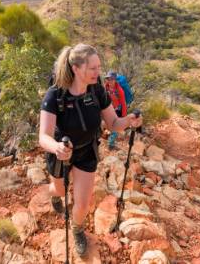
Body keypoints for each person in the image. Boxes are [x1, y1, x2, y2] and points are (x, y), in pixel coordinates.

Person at [39, 43, 143, 256]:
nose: (99, 73)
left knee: (83, 203)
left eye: (99, 67)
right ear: (76, 68)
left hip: (87, 151)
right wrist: (57, 147)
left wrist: (129, 121)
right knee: (59, 189)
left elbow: (113, 123)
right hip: (61, 151)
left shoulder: (97, 91)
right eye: (93, 68)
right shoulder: (55, 95)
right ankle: (54, 194)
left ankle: (77, 229)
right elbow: (43, 136)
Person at [104, 71, 127, 150]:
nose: (109, 81)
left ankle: (110, 144)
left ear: (115, 80)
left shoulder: (119, 90)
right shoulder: (105, 87)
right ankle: (104, 136)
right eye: (108, 79)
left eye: (111, 79)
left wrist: (124, 116)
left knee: (115, 128)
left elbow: (123, 103)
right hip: (106, 109)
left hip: (116, 111)